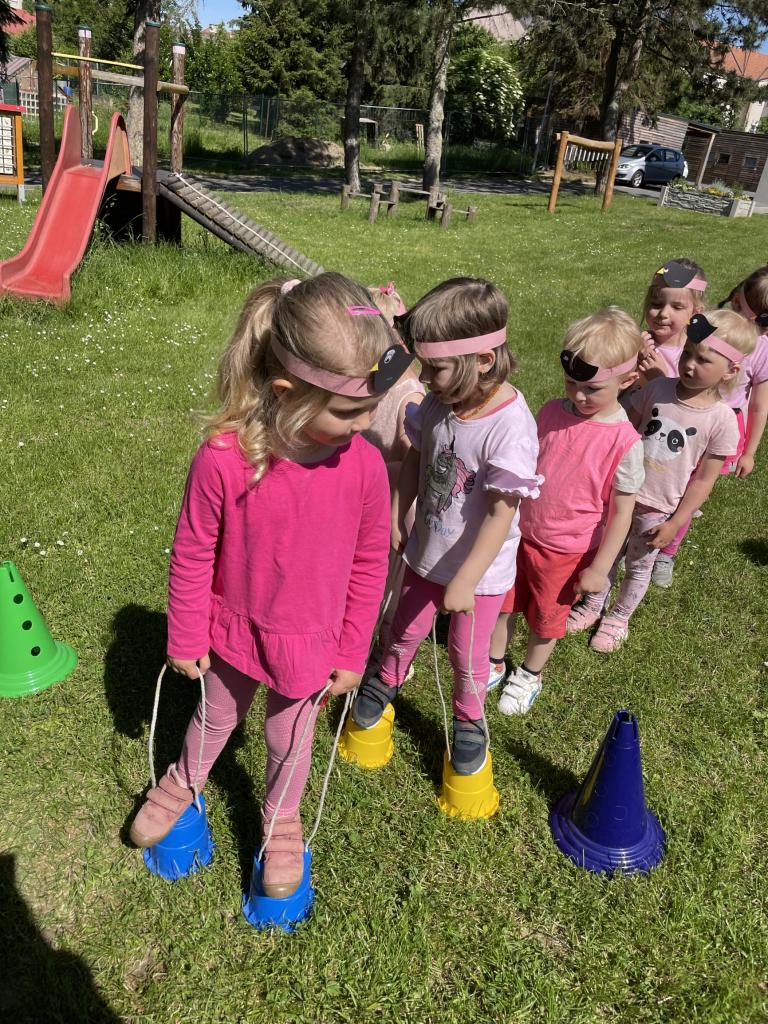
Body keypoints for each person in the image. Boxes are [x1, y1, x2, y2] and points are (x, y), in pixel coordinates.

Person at [129, 272, 413, 899]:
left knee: (290, 739)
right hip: (232, 629)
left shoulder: (365, 466)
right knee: (215, 715)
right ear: (288, 392)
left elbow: (371, 565)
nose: (368, 421)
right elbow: (193, 551)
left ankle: (281, 819)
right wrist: (185, 634)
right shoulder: (224, 458)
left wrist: (351, 651)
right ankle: (183, 779)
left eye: (373, 405)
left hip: (312, 641)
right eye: (351, 410)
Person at [350, 277, 542, 775]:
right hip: (426, 549)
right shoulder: (440, 401)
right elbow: (417, 456)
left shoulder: (509, 426)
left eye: (434, 367)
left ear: (483, 360)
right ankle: (386, 677)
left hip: (479, 573)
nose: (424, 377)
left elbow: (501, 514)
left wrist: (466, 579)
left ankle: (469, 717)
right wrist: (399, 509)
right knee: (402, 628)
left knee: (466, 655)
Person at [493, 307, 645, 714]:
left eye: (592, 389)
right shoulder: (549, 412)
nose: (578, 395)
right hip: (519, 533)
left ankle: (530, 673)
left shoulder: (625, 442)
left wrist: (600, 568)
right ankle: (494, 660)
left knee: (546, 617)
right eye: (571, 383)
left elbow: (622, 514)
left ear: (627, 380)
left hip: (566, 551)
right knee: (504, 603)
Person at [582, 309, 757, 652]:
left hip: (658, 507)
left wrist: (676, 522)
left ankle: (619, 618)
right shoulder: (657, 388)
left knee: (638, 565)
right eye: (688, 353)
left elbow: (704, 480)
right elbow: (623, 430)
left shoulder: (722, 420)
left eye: (703, 360)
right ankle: (592, 604)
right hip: (620, 493)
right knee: (607, 551)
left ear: (731, 370)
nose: (689, 364)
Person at [632, 259, 709, 586]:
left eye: (677, 307)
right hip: (637, 435)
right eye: (655, 303)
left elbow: (698, 399)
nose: (663, 314)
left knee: (675, 498)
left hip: (677, 448)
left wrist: (659, 380)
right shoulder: (638, 342)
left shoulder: (696, 353)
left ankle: (667, 551)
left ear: (696, 311)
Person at [363, 283, 425, 655]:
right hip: (365, 499)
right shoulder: (376, 379)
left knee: (384, 585)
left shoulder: (409, 396)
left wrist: (364, 469)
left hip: (392, 507)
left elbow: (410, 464)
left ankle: (386, 652)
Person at [717, 267, 768, 478]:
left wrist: (749, 453)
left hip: (726, 426)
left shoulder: (763, 349)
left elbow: (759, 406)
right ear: (737, 302)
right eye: (764, 321)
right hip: (691, 414)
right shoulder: (713, 328)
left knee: (706, 476)